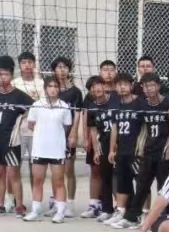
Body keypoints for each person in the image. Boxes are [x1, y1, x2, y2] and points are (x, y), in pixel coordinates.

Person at [120, 73, 169, 229]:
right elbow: (141, 128)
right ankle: (132, 217)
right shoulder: (142, 105)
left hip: (164, 151)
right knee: (142, 185)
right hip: (149, 150)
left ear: (158, 86)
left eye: (151, 85)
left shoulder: (168, 103)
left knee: (164, 187)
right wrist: (139, 148)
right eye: (145, 86)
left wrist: (168, 147)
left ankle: (164, 217)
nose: (148, 89)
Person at [0, 57, 33, 216]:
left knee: (13, 174)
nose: (2, 77)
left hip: (11, 140)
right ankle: (0, 204)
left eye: (5, 74)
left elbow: (34, 107)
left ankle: (19, 206)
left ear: (11, 76)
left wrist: (22, 119)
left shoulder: (19, 95)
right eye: (0, 74)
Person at [23, 77, 73, 223]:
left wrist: (55, 136)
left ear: (59, 89)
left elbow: (67, 126)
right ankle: (35, 211)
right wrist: (43, 134)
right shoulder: (36, 105)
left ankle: (60, 212)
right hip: (39, 149)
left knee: (59, 182)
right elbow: (31, 124)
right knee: (37, 180)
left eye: (56, 86)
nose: (53, 89)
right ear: (45, 89)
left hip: (57, 150)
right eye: (50, 86)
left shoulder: (64, 106)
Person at [103, 73, 146, 226]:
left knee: (141, 182)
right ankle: (121, 212)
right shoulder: (116, 106)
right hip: (122, 150)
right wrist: (112, 149)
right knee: (122, 182)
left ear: (131, 85)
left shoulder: (140, 103)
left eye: (125, 84)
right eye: (119, 84)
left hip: (136, 151)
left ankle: (143, 214)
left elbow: (145, 127)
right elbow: (114, 128)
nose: (122, 87)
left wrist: (142, 147)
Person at [82, 75, 117, 220]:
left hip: (118, 143)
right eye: (93, 87)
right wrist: (96, 150)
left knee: (119, 177)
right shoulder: (92, 107)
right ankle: (107, 209)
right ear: (90, 91)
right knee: (105, 176)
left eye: (99, 84)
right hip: (103, 144)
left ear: (104, 86)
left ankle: (123, 208)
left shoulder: (115, 100)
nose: (97, 88)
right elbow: (93, 130)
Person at [53, 57, 84, 208]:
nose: (62, 70)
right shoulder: (51, 90)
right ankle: (57, 202)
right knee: (55, 171)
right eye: (59, 67)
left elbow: (77, 113)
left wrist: (74, 132)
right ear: (54, 70)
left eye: (65, 67)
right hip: (53, 134)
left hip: (68, 134)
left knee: (69, 170)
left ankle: (70, 203)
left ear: (69, 70)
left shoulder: (76, 92)